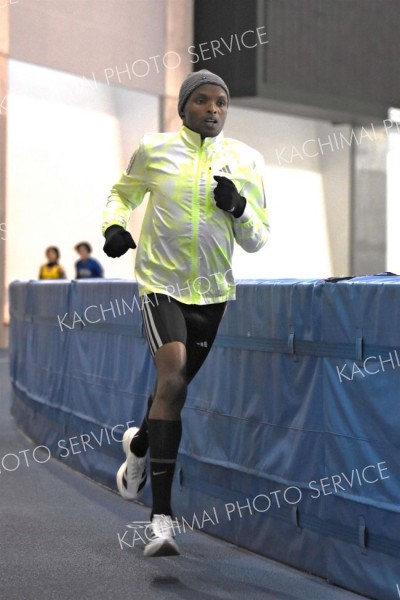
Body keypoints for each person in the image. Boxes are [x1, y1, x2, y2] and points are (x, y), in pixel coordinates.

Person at [102, 69, 270, 557]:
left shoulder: (246, 160)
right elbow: (123, 193)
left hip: (213, 293)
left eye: (221, 102)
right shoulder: (154, 150)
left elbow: (258, 239)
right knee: (172, 380)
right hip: (161, 284)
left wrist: (238, 207)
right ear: (183, 108)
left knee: (170, 392)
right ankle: (161, 520)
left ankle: (137, 446)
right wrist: (115, 225)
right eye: (202, 101)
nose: (213, 109)